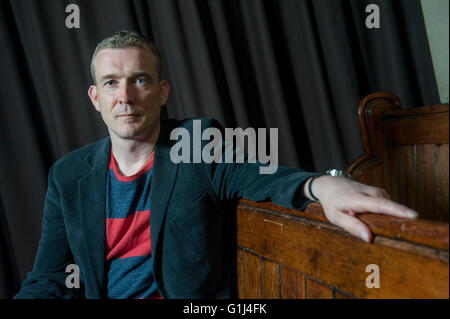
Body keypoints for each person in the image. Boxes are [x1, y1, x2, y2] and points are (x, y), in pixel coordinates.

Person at [14, 31, 418, 299]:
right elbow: (48, 278)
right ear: (95, 97)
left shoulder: (197, 142)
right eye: (111, 82)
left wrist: (321, 186)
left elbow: (259, 173)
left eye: (140, 80)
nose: (126, 97)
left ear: (162, 91)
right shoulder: (68, 175)